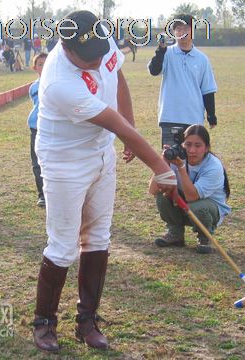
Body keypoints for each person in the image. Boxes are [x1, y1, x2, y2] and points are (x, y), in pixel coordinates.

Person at [32, 10, 177, 353]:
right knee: (63, 246)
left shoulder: (101, 40)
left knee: (98, 236)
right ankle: (44, 323)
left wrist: (130, 128)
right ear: (66, 49)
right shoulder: (59, 82)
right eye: (88, 59)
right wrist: (161, 169)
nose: (97, 62)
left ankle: (87, 321)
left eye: (100, 53)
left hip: (101, 151)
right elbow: (114, 123)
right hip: (65, 160)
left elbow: (118, 80)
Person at [149, 125, 231, 253]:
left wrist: (181, 168)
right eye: (188, 145)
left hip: (208, 210)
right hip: (185, 207)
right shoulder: (178, 158)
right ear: (182, 145)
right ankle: (175, 234)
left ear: (207, 148)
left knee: (197, 206)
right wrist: (163, 163)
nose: (192, 150)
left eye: (198, 146)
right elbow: (153, 190)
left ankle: (205, 238)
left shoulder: (213, 166)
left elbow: (192, 197)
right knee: (162, 195)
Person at [148, 14, 218, 148]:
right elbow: (154, 70)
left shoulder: (202, 59)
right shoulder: (166, 53)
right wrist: (161, 50)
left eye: (186, 28)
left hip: (193, 119)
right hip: (170, 118)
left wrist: (211, 115)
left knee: (192, 159)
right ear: (174, 32)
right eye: (178, 29)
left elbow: (207, 89)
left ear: (193, 31)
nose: (182, 32)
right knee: (170, 157)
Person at [28, 53, 47, 207]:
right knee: (37, 163)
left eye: (46, 63)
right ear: (35, 67)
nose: (43, 66)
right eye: (40, 64)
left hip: (52, 129)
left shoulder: (59, 83)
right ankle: (42, 195)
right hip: (36, 128)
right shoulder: (34, 87)